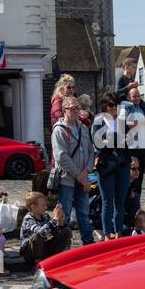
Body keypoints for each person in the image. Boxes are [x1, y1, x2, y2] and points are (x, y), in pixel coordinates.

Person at [51, 95, 96, 247]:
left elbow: (90, 151)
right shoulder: (59, 130)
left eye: (78, 108)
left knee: (84, 212)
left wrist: (87, 171)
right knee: (65, 214)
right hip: (67, 179)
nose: (77, 111)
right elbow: (61, 156)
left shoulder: (83, 128)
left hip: (82, 176)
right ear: (64, 110)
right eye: (73, 108)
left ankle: (88, 243)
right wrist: (79, 175)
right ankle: (63, 245)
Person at [92, 92, 130, 239]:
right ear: (105, 106)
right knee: (107, 201)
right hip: (106, 165)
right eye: (111, 105)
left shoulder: (122, 120)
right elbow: (97, 143)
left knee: (120, 201)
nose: (114, 108)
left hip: (122, 164)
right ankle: (108, 233)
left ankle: (119, 231)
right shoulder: (98, 120)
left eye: (116, 105)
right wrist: (114, 141)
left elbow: (127, 141)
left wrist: (111, 141)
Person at [122, 83, 145, 221]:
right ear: (129, 97)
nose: (137, 98)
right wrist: (142, 122)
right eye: (134, 96)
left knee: (140, 177)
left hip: (142, 146)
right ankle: (129, 205)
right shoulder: (126, 107)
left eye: (138, 95)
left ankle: (136, 205)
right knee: (131, 177)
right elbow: (124, 124)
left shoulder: (143, 107)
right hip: (131, 146)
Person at [19, 192, 71, 265]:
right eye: (43, 205)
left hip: (44, 247)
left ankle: (59, 258)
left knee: (66, 231)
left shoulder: (45, 216)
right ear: (33, 207)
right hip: (31, 253)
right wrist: (55, 219)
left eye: (45, 205)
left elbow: (54, 231)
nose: (46, 207)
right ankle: (37, 264)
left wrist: (61, 222)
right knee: (37, 236)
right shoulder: (28, 219)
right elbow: (40, 233)